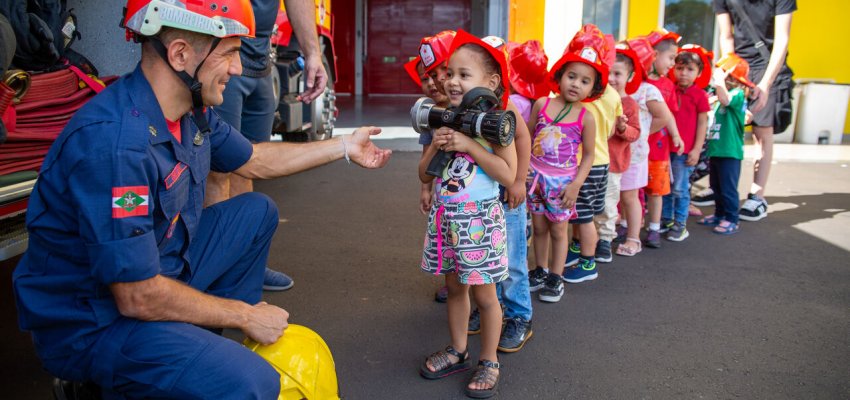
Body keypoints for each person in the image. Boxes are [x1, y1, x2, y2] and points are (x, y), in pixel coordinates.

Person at [12, 1, 391, 398]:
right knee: (254, 382)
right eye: (228, 53)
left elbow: (256, 159)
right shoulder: (116, 146)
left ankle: (197, 355)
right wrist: (245, 315)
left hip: (158, 270)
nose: (239, 69)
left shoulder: (188, 110)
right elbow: (136, 294)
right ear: (179, 54)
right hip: (96, 322)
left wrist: (345, 146)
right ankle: (110, 382)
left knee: (256, 212)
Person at [418, 30, 518, 399]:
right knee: (456, 289)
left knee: (486, 297)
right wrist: (439, 145)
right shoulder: (445, 118)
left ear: (491, 82)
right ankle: (459, 350)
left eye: (464, 74)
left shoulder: (497, 123)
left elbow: (508, 174)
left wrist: (469, 146)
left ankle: (489, 360)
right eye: (450, 73)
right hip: (447, 218)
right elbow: (424, 174)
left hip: (479, 222)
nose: (453, 81)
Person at [204, 0, 327, 291]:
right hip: (224, 52)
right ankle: (217, 272)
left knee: (248, 167)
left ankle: (245, 266)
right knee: (218, 171)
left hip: (261, 60)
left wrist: (313, 53)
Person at [526, 24, 603, 302]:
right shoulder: (541, 105)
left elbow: (590, 155)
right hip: (534, 178)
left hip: (562, 183)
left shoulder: (587, 117)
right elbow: (528, 137)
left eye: (585, 81)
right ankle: (540, 269)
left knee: (559, 230)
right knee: (538, 228)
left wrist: (575, 186)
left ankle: (556, 277)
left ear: (593, 88)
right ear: (559, 76)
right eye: (572, 76)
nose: (576, 84)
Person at [712, 0, 796, 221]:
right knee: (727, 123)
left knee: (761, 133)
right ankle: (719, 188)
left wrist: (766, 84)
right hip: (738, 65)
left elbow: (782, 40)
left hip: (767, 66)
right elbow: (726, 35)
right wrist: (729, 74)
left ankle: (757, 196)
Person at [412, 30, 457, 304]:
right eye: (425, 77)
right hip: (444, 188)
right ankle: (451, 282)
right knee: (448, 237)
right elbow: (425, 156)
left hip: (471, 190)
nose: (432, 82)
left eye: (438, 73)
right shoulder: (430, 114)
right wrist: (425, 188)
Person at [615, 37, 667, 257]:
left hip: (634, 155)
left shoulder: (646, 91)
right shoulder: (608, 93)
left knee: (630, 196)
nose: (612, 78)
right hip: (614, 155)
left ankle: (633, 238)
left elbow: (663, 117)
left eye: (617, 73)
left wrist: (644, 132)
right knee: (616, 196)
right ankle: (623, 228)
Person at [698, 53, 752, 235]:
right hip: (717, 150)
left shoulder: (736, 95)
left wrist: (719, 82)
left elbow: (725, 100)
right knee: (716, 187)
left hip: (730, 152)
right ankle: (719, 214)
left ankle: (731, 219)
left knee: (728, 188)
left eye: (721, 73)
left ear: (730, 77)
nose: (716, 76)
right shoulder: (722, 94)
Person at [662, 45, 712, 241]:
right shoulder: (668, 90)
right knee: (664, 187)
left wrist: (697, 149)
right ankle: (667, 220)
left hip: (686, 150)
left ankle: (680, 225)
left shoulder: (699, 95)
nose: (683, 73)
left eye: (690, 69)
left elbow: (702, 123)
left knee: (680, 189)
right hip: (665, 148)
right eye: (680, 68)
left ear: (698, 73)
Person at [643, 29, 684, 249]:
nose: (673, 63)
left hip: (659, 149)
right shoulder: (638, 81)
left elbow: (669, 116)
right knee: (633, 189)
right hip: (638, 148)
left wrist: (676, 134)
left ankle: (654, 228)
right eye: (670, 58)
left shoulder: (668, 85)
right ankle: (626, 224)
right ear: (654, 55)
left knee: (656, 189)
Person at [604, 43, 641, 253]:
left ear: (629, 76)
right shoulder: (599, 100)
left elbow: (635, 133)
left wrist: (622, 127)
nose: (611, 79)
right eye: (608, 73)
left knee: (609, 204)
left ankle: (605, 240)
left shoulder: (629, 104)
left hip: (613, 164)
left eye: (617, 74)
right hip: (593, 162)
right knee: (592, 205)